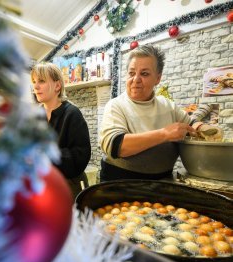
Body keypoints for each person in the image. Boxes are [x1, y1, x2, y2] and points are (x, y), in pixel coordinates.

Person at [99, 44, 221, 182]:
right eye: (132, 73)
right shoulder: (116, 106)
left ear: (158, 78)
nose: (136, 80)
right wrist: (165, 134)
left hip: (162, 183)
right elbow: (117, 146)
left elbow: (191, 123)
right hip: (121, 184)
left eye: (144, 74)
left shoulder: (167, 105)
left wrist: (203, 128)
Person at [31, 62, 91, 197]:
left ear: (57, 86)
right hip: (44, 186)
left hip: (70, 187)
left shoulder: (72, 114)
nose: (35, 86)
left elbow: (80, 157)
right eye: (34, 81)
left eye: (41, 81)